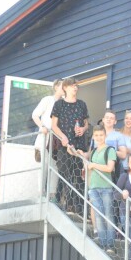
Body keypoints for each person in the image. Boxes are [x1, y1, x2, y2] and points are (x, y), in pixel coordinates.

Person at [50, 78, 90, 214]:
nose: (75, 88)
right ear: (65, 88)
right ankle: (63, 203)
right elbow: (53, 126)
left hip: (79, 146)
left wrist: (83, 130)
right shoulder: (59, 105)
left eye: (76, 86)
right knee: (64, 173)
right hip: (64, 145)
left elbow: (86, 124)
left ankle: (78, 208)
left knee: (78, 176)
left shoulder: (82, 104)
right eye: (73, 86)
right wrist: (63, 137)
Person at [82, 125, 117, 252]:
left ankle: (110, 244)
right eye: (96, 135)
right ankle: (103, 243)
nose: (99, 137)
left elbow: (110, 168)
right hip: (93, 188)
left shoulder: (110, 150)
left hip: (106, 187)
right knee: (98, 215)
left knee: (108, 215)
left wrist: (94, 165)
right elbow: (90, 171)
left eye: (101, 135)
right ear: (93, 137)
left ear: (105, 135)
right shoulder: (93, 152)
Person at [31, 78, 63, 163]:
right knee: (42, 170)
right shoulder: (48, 99)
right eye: (63, 86)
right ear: (56, 87)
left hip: (57, 143)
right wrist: (42, 127)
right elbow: (35, 115)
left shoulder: (64, 104)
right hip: (45, 139)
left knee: (53, 171)